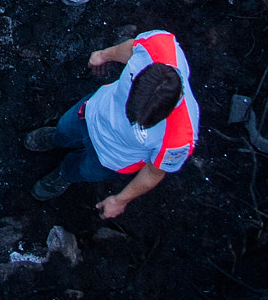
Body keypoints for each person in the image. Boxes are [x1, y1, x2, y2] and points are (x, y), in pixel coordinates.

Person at [26, 29, 201, 218]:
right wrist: (103, 55)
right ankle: (56, 138)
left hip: (110, 159)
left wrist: (120, 200)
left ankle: (64, 174)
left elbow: (154, 172)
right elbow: (133, 48)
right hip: (91, 112)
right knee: (64, 128)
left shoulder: (181, 137)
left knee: (82, 170)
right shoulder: (157, 45)